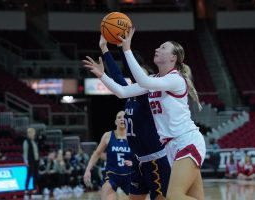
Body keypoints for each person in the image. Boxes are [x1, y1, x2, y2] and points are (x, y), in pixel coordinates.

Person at [83, 28, 206, 199]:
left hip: (186, 141)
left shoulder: (175, 78)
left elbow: (143, 80)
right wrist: (102, 75)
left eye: (163, 47)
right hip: (170, 146)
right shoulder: (155, 80)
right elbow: (122, 91)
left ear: (173, 57)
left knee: (174, 196)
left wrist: (126, 49)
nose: (157, 49)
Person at [97, 35, 171, 200]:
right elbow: (117, 76)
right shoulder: (130, 96)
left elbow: (131, 71)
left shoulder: (146, 98)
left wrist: (123, 48)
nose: (136, 80)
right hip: (138, 161)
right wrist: (105, 48)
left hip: (155, 161)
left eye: (140, 77)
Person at [83, 111, 133, 200]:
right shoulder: (108, 135)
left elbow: (142, 156)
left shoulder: (133, 137)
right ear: (115, 122)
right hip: (112, 175)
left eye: (124, 117)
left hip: (130, 175)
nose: (122, 119)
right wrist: (88, 170)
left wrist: (134, 162)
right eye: (119, 117)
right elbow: (97, 153)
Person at [23, 127, 39, 197]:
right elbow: (25, 152)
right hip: (30, 161)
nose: (34, 134)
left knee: (35, 175)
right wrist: (26, 161)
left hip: (36, 161)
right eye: (33, 133)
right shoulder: (26, 141)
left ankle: (34, 189)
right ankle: (26, 189)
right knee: (29, 175)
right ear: (29, 133)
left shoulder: (34, 141)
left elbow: (36, 152)